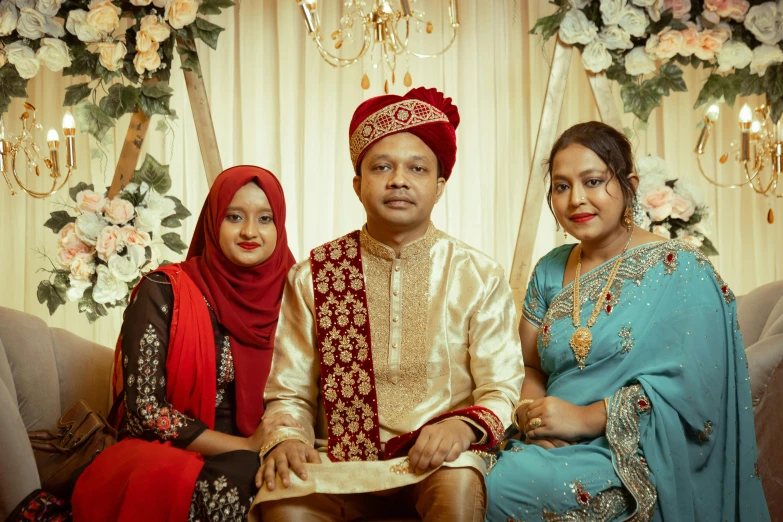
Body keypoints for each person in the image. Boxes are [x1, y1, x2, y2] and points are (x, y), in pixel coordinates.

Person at [250, 87, 524, 522]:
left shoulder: (478, 275)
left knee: (457, 484)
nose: (399, 179)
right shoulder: (315, 275)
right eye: (382, 167)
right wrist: (286, 437)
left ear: (438, 186)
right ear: (358, 185)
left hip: (438, 460)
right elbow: (289, 392)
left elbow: (501, 388)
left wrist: (461, 426)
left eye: (417, 168)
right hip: (338, 463)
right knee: (284, 501)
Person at [485, 121, 770, 522]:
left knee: (501, 487)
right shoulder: (550, 269)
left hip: (635, 450)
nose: (576, 200)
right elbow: (528, 364)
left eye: (594, 181)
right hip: (544, 442)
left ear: (629, 184)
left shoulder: (681, 268)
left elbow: (698, 392)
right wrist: (533, 416)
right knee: (462, 472)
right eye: (562, 186)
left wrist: (584, 419)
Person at [71, 166, 298, 522]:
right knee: (247, 477)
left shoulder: (296, 296)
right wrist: (246, 446)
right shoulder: (163, 292)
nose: (250, 231)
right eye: (234, 216)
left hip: (271, 447)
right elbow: (144, 411)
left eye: (265, 218)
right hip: (173, 452)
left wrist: (285, 441)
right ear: (212, 221)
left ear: (279, 226)